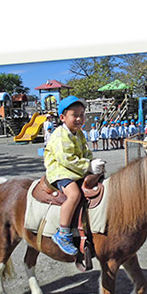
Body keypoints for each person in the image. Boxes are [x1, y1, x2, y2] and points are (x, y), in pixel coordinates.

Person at [44, 96, 105, 256]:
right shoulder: (60, 135)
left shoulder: (80, 134)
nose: (79, 118)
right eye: (74, 115)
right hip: (61, 170)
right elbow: (66, 159)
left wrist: (93, 161)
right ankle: (63, 233)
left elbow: (86, 151)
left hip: (75, 169)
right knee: (74, 194)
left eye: (82, 114)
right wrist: (88, 166)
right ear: (63, 117)